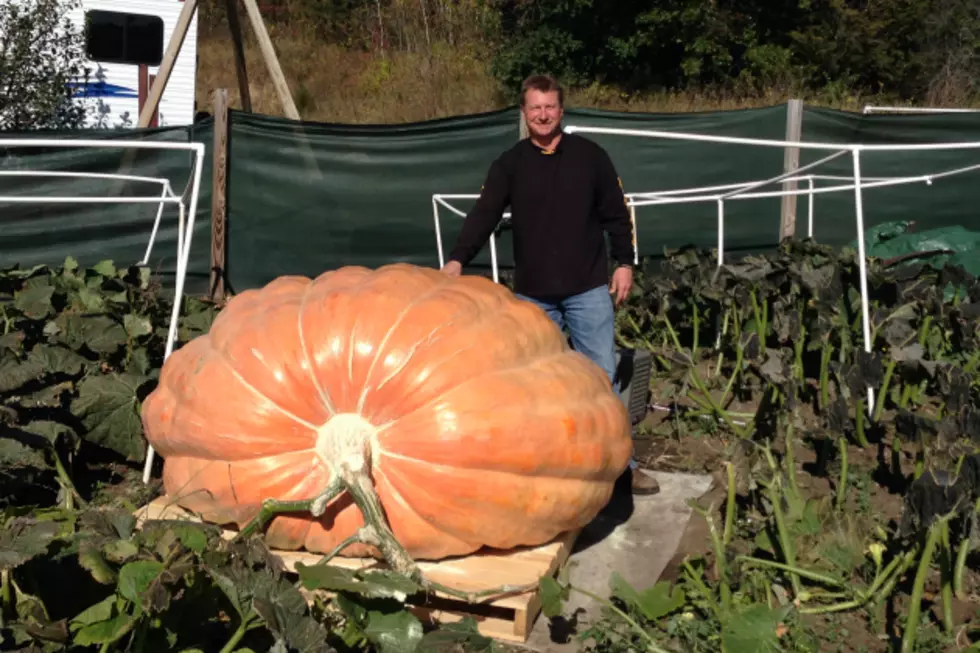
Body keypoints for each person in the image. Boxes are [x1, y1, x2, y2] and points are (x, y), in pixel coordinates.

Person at [440, 73, 660, 496]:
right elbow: (483, 215)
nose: (543, 114)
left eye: (550, 107)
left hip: (587, 290)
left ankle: (621, 470)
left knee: (602, 380)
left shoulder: (591, 157)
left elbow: (617, 213)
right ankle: (548, 472)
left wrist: (625, 263)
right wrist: (456, 260)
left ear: (562, 110)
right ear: (524, 113)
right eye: (535, 108)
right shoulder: (510, 164)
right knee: (533, 387)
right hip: (534, 296)